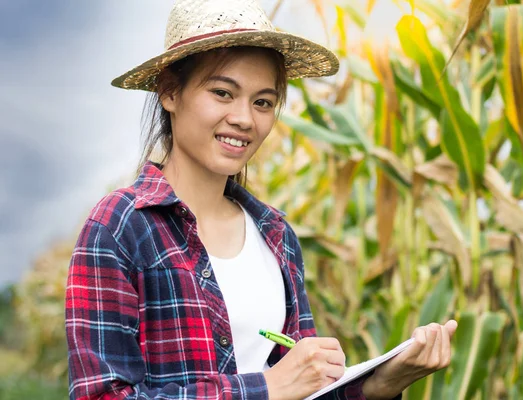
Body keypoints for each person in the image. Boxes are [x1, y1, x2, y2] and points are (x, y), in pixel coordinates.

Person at [65, 0, 458, 399]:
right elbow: (100, 395)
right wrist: (265, 389)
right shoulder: (121, 226)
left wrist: (379, 385)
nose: (245, 119)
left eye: (263, 102)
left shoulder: (275, 234)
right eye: (222, 93)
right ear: (169, 91)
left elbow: (304, 390)